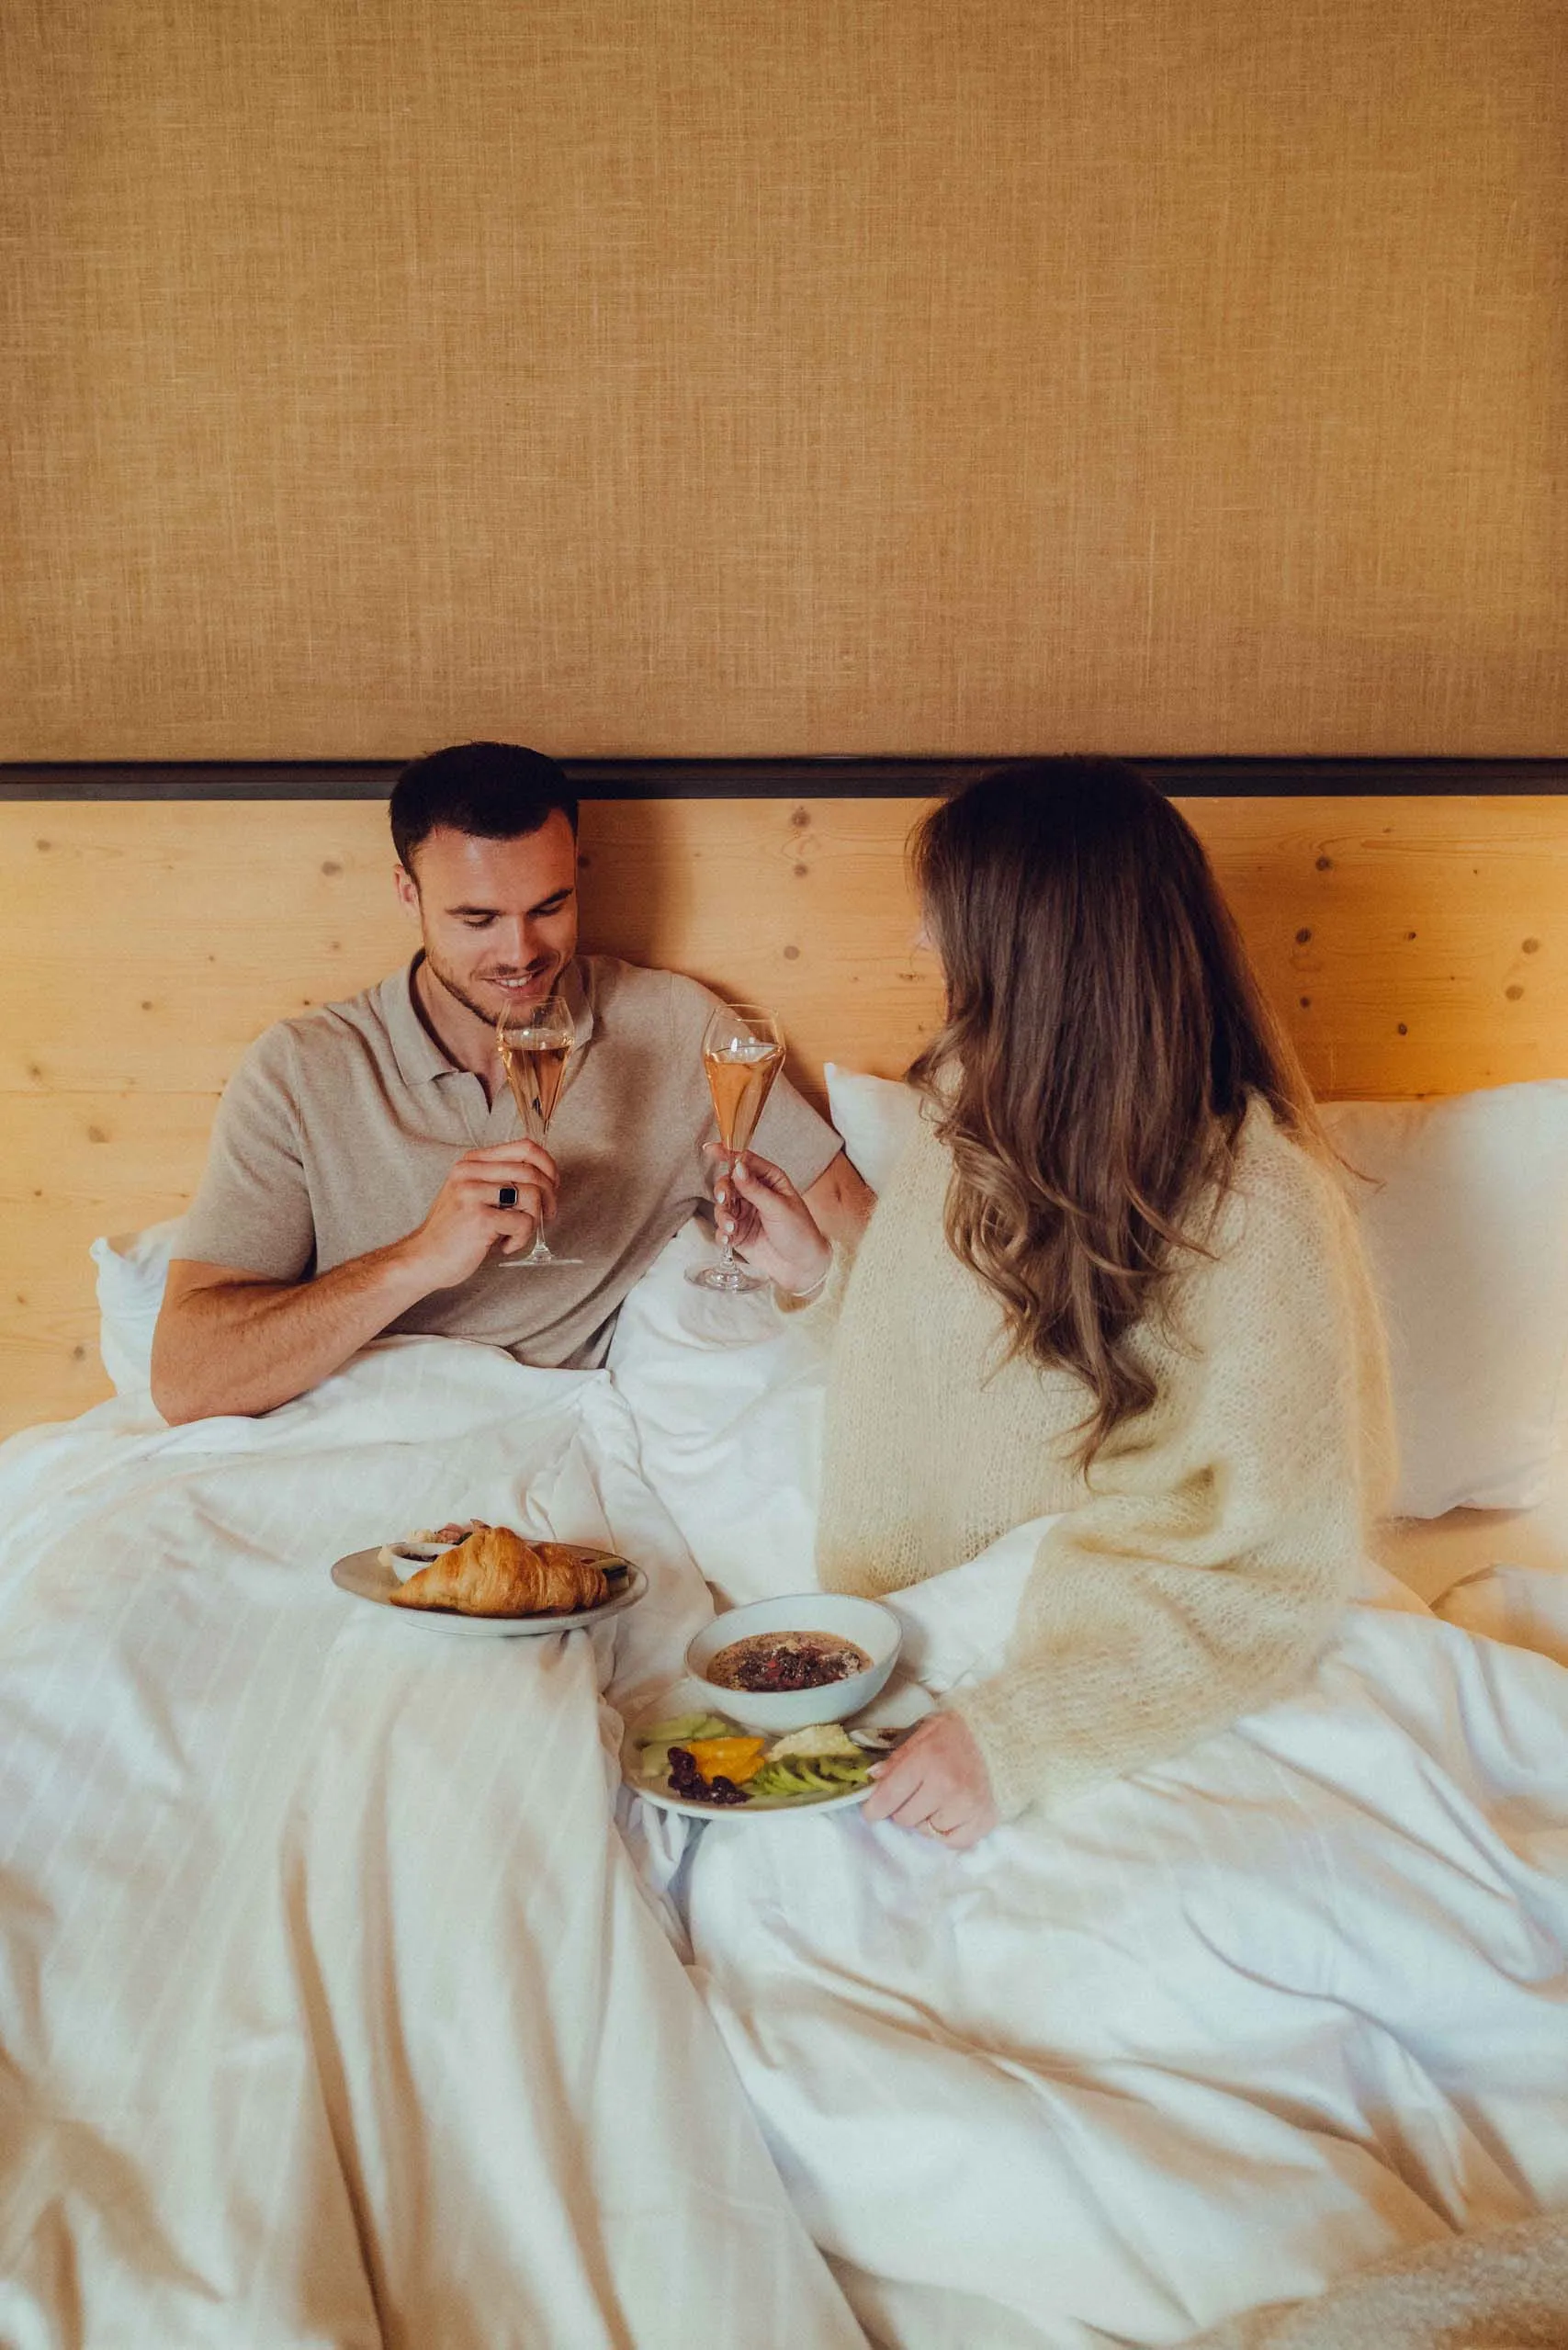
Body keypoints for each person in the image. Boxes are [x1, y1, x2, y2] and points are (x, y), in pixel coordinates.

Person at [715, 757, 1393, 1848]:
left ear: (1032, 950)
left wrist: (1020, 1733)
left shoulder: (1262, 1208)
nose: (918, 944)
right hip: (917, 1623)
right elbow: (962, 1380)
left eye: (943, 919)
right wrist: (814, 1275)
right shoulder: (966, 1116)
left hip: (1120, 1654)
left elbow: (1276, 1566)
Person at [152, 741, 871, 1423]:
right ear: (408, 894)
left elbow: (864, 1238)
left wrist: (811, 1273)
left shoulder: (677, 1030)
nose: (520, 953)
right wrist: (417, 1260)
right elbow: (185, 1379)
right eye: (477, 918)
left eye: (549, 907)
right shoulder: (301, 1070)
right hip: (339, 1432)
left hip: (545, 1435)